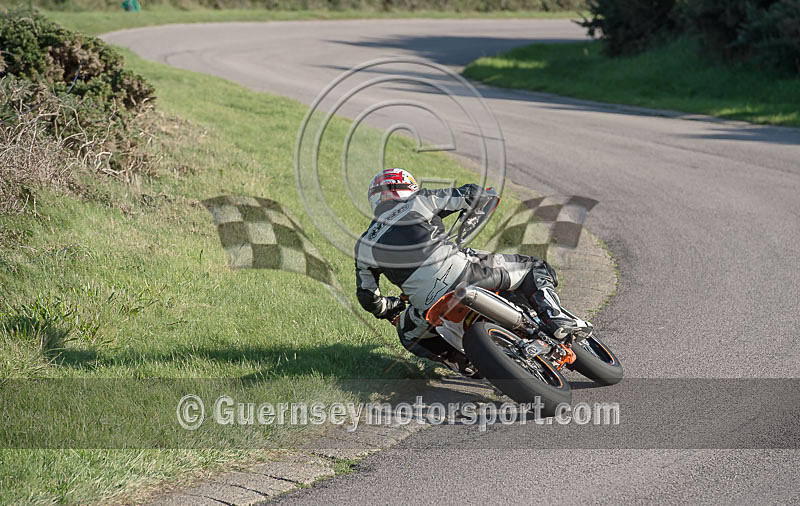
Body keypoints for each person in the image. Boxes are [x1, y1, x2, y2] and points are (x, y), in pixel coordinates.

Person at [354, 168, 580, 375]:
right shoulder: (420, 200)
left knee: (408, 334)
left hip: (428, 306)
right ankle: (555, 318)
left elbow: (368, 297)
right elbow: (474, 194)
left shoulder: (364, 245)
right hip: (465, 275)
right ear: (404, 187)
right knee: (534, 267)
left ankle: (469, 364)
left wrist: (389, 309)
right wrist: (471, 218)